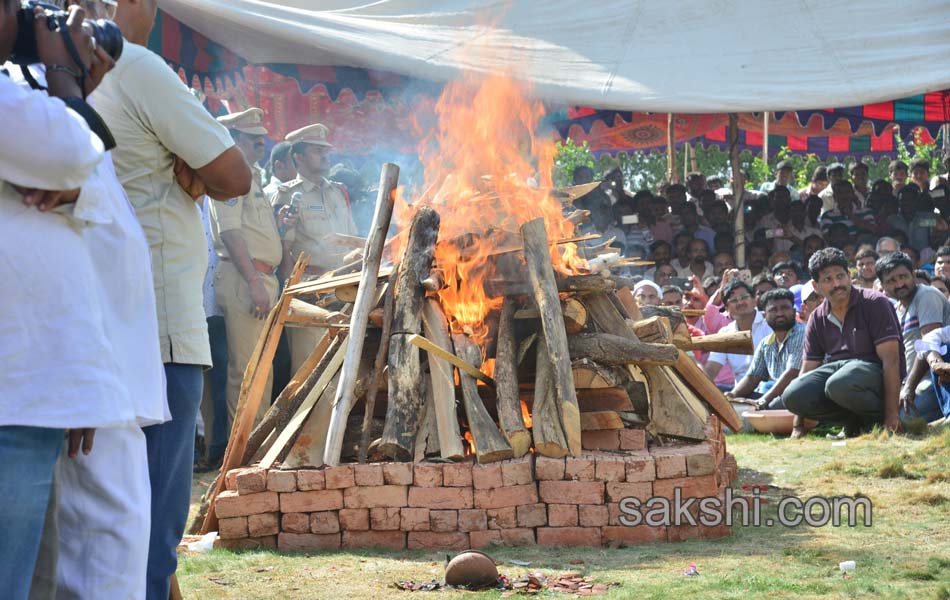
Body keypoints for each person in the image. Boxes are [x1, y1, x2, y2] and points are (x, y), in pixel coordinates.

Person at [94, 1, 253, 596]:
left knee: (110, 524)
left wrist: (192, 166)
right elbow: (236, 177)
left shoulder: (42, 74)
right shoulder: (135, 67)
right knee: (152, 532)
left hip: (106, 320)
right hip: (160, 328)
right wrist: (192, 165)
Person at [0, 3, 137, 597]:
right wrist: (64, 73)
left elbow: (75, 164)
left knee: (33, 576)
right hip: (16, 391)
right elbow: (73, 151)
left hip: (34, 388)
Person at [209, 108, 284, 426]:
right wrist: (254, 282)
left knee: (261, 370)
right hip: (246, 279)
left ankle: (255, 448)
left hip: (260, 278)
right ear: (234, 139)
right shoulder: (229, 175)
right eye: (253, 140)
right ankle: (243, 452)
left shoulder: (251, 176)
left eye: (261, 139)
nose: (260, 145)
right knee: (248, 371)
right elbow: (230, 232)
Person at [783, 248, 904, 438]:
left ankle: (877, 421)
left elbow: (892, 361)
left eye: (840, 276)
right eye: (828, 279)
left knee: (839, 382)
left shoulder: (875, 303)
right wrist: (798, 426)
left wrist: (892, 416)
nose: (837, 284)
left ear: (849, 276)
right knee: (793, 394)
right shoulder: (816, 317)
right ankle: (853, 424)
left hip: (872, 376)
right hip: (840, 377)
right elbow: (807, 369)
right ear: (816, 286)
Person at [274, 123, 359, 372]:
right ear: (298, 157)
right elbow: (283, 247)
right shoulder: (289, 195)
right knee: (309, 366)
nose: (325, 156)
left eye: (325, 150)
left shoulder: (338, 191)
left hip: (344, 288)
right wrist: (295, 290)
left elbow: (353, 239)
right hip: (311, 289)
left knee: (341, 365)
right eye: (316, 151)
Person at [876, 252, 950, 424]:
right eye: (891, 281)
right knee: (884, 417)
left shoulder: (926, 296)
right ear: (883, 285)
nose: (899, 284)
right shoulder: (895, 309)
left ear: (914, 275)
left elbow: (929, 345)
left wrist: (909, 387)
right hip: (912, 381)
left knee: (903, 421)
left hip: (935, 379)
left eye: (903, 276)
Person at [726, 289, 805, 410]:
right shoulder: (765, 344)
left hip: (800, 392)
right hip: (775, 394)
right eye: (773, 310)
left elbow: (792, 373)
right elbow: (752, 378)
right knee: (732, 397)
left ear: (794, 311)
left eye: (785, 308)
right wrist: (731, 396)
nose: (779, 313)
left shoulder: (802, 333)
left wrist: (763, 400)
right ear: (765, 315)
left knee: (772, 405)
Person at [703, 280, 773, 389]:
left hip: (769, 388)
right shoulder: (725, 334)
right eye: (734, 300)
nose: (740, 303)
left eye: (744, 298)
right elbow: (712, 369)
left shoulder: (770, 325)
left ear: (754, 300)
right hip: (739, 393)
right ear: (726, 308)